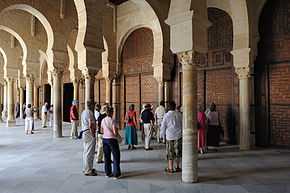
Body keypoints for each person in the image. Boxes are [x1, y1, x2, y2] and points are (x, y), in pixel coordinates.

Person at [160, 101, 182, 173]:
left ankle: (170, 168)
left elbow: (163, 126)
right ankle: (177, 167)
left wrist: (162, 135)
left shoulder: (166, 115)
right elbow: (182, 124)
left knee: (170, 152)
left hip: (170, 136)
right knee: (178, 152)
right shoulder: (179, 114)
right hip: (178, 136)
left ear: (169, 107)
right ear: (175, 106)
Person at [101, 106, 121, 179]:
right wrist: (118, 137)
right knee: (116, 156)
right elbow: (115, 132)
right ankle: (116, 174)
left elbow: (102, 130)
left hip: (104, 139)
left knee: (107, 157)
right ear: (112, 112)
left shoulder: (103, 120)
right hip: (112, 139)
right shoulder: (113, 120)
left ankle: (108, 173)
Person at [81, 101, 97, 176]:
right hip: (89, 132)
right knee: (89, 152)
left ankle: (86, 168)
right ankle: (88, 170)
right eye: (94, 105)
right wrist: (93, 134)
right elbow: (91, 124)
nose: (94, 106)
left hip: (84, 132)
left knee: (86, 151)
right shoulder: (90, 112)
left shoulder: (84, 112)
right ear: (91, 105)